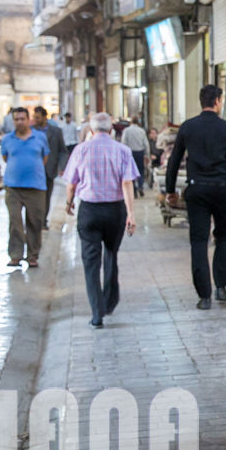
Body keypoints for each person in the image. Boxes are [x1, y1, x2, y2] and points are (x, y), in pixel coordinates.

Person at [165, 84, 226, 310]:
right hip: (221, 190)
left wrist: (169, 190)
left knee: (199, 240)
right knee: (224, 236)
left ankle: (204, 296)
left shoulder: (188, 127)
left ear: (202, 101)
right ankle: (221, 286)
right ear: (218, 101)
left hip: (196, 190)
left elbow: (174, 160)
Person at [63, 112, 138, 329]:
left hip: (89, 211)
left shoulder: (81, 150)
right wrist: (131, 213)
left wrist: (68, 203)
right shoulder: (122, 150)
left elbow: (71, 184)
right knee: (111, 254)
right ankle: (109, 301)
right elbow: (127, 184)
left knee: (90, 262)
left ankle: (97, 314)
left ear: (91, 130)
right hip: (115, 211)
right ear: (112, 130)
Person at [0, 107, 49, 267]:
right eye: (16, 119)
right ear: (13, 121)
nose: (19, 122)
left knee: (35, 223)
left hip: (36, 187)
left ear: (29, 120)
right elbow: (6, 157)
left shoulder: (40, 137)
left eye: (22, 119)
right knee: (15, 222)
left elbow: (44, 157)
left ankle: (33, 256)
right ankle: (15, 255)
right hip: (13, 188)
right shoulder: (7, 139)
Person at [32, 106, 65, 229]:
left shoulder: (56, 131)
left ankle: (43, 221)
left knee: (46, 197)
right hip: (34, 170)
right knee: (34, 197)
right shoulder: (31, 130)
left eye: (38, 117)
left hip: (49, 169)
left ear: (45, 117)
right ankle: (34, 220)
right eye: (34, 117)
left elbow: (63, 151)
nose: (35, 120)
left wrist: (61, 166)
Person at [120, 115, 149, 198]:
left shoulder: (126, 130)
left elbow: (123, 142)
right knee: (140, 170)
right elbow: (146, 144)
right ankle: (140, 186)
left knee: (131, 171)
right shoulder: (141, 131)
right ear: (138, 122)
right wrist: (147, 154)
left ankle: (134, 190)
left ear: (131, 122)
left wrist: (123, 154)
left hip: (130, 153)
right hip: (140, 152)